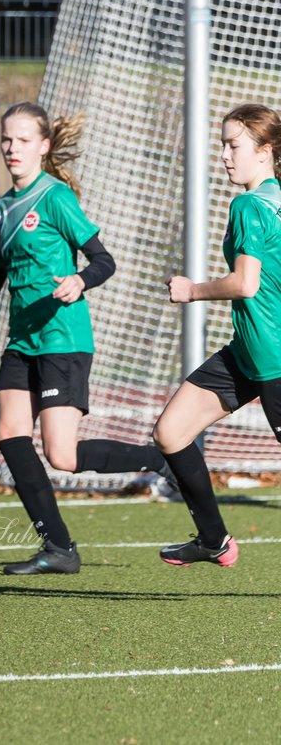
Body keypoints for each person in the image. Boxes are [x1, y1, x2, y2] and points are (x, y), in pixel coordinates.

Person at [0, 101, 174, 575]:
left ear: (44, 146)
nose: (12, 149)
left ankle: (163, 461)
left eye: (23, 140)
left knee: (63, 455)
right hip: (21, 343)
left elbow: (102, 260)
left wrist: (80, 281)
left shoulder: (55, 199)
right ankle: (58, 548)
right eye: (6, 140)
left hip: (62, 340)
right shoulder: (0, 211)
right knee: (10, 437)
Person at [150, 103, 281, 568]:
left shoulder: (249, 205)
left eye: (234, 145)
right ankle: (213, 539)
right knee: (170, 432)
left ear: (265, 151)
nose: (224, 155)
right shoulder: (274, 199)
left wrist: (191, 290)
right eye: (222, 144)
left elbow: (245, 283)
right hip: (248, 353)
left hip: (274, 360)